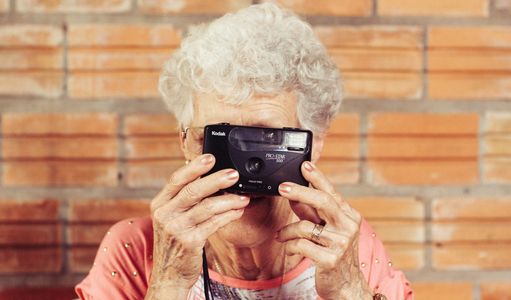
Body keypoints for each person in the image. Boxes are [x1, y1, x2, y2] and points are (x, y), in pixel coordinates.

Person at [75, 3, 413, 299]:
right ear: (185, 143)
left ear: (315, 144)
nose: (240, 172)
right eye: (217, 140)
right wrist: (169, 282)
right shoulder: (135, 248)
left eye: (266, 141)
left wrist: (349, 291)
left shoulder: (345, 245)